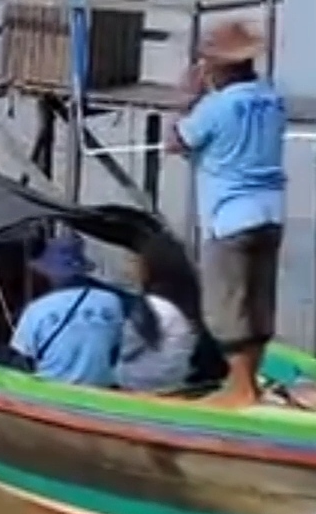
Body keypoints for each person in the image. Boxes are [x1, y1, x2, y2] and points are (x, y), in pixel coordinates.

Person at [165, 20, 287, 407]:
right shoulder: (273, 98)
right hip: (271, 212)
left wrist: (185, 100)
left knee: (226, 305)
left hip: (229, 216)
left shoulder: (215, 108)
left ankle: (241, 390)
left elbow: (176, 142)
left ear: (216, 66)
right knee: (258, 299)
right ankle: (250, 380)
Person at [9, 233, 125, 387]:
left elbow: (21, 360)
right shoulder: (113, 301)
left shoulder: (37, 309)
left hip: (53, 390)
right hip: (102, 390)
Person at [115, 232, 200, 393]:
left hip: (140, 387)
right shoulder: (188, 302)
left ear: (150, 266)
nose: (131, 267)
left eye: (135, 261)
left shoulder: (150, 305)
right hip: (175, 382)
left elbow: (127, 349)